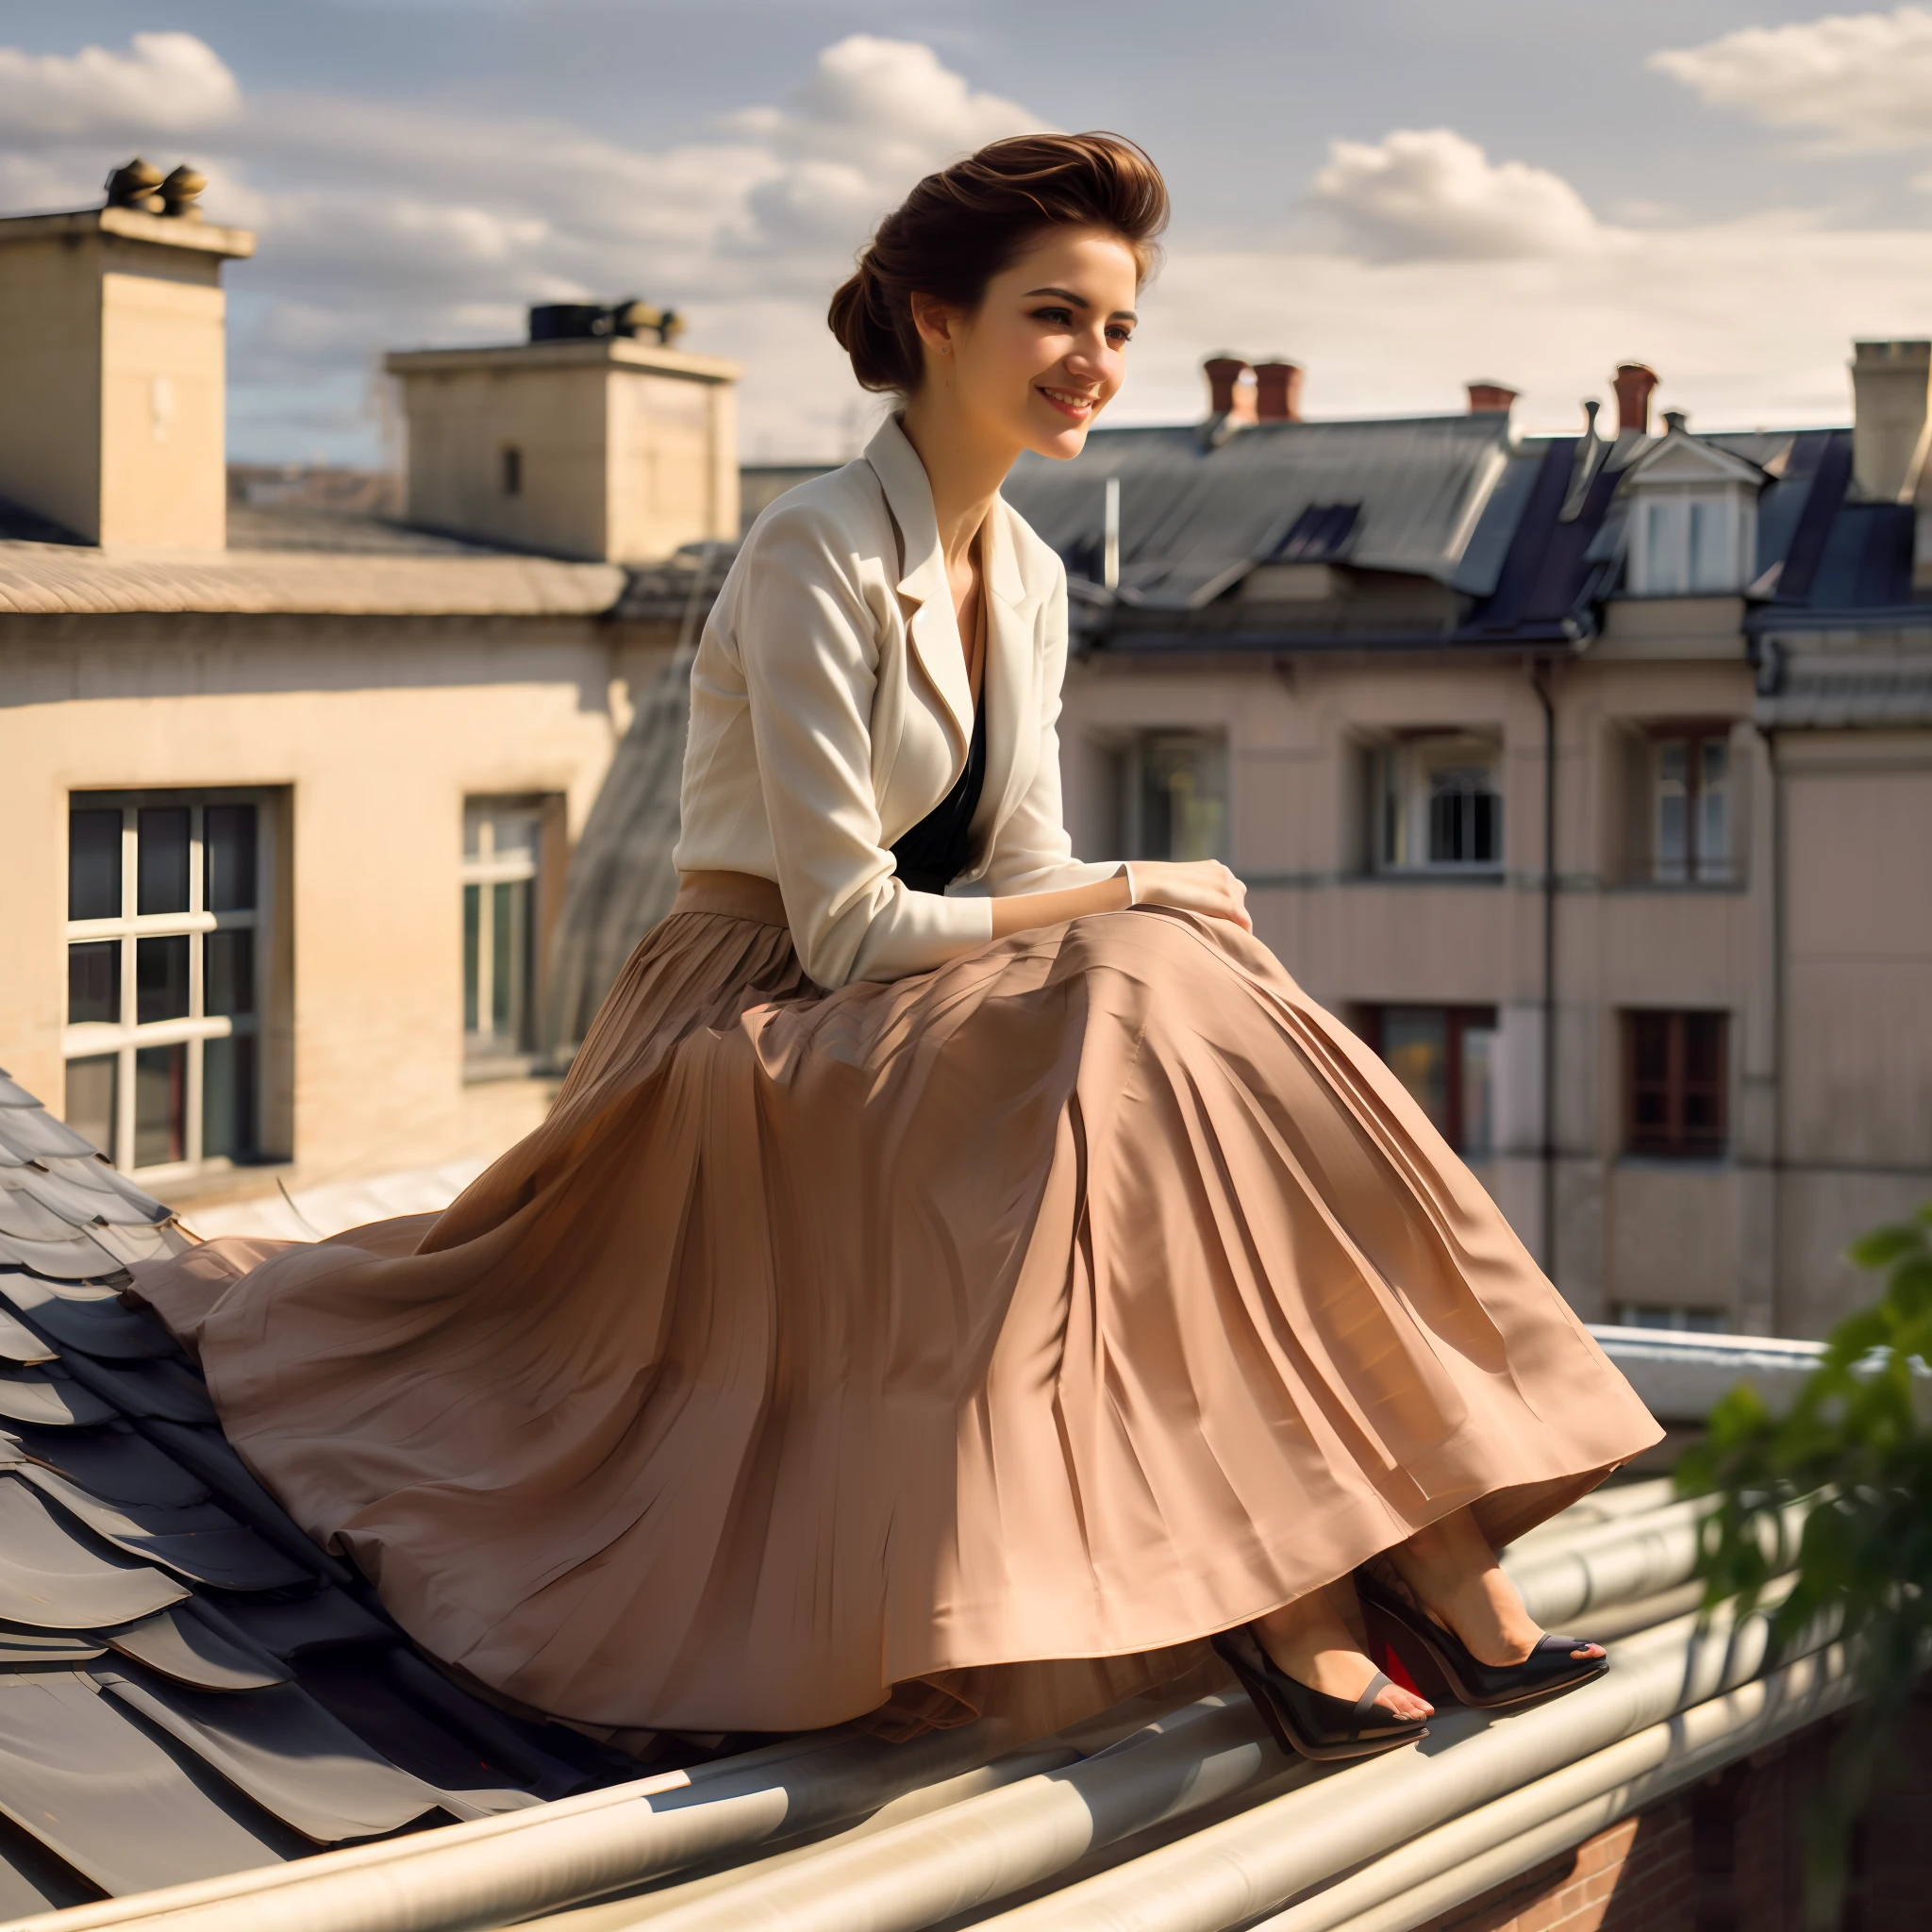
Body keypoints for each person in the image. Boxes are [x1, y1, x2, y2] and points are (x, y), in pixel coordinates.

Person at [134, 132, 1660, 1765]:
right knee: (1156, 964)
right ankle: (1334, 1585)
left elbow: (1021, 863)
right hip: (750, 1021)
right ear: (938, 320)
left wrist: (1120, 900)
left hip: (925, 1011)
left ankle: (1400, 1560)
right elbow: (848, 925)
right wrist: (1134, 890)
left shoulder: (1031, 574)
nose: (1097, 363)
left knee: (1178, 977)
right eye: (1057, 317)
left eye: (1121, 329)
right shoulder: (811, 548)